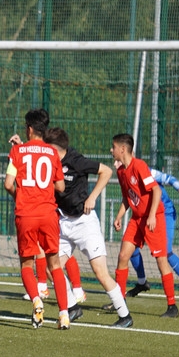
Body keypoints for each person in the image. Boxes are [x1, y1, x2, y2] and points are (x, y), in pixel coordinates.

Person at [42, 128, 133, 328]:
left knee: (100, 272)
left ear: (54, 149)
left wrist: (92, 197)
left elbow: (106, 171)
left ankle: (125, 316)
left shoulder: (76, 160)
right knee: (51, 268)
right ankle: (73, 307)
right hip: (64, 222)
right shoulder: (50, 161)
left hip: (84, 223)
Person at [4, 109, 71, 330]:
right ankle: (64, 315)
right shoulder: (52, 153)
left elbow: (8, 183)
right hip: (48, 214)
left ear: (30, 129)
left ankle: (36, 301)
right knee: (55, 265)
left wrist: (21, 195)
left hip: (26, 214)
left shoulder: (17, 151)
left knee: (26, 264)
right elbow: (60, 186)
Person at [111, 133, 179, 318]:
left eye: (114, 147)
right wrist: (118, 217)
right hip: (136, 219)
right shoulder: (121, 172)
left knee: (161, 260)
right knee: (123, 255)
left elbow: (156, 190)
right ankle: (120, 301)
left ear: (122, 149)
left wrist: (152, 215)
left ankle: (172, 306)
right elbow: (127, 198)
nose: (111, 150)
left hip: (152, 218)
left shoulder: (139, 166)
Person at [122, 167, 179, 304]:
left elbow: (170, 179)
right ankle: (142, 283)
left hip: (165, 213)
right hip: (147, 215)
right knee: (131, 248)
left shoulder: (146, 172)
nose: (116, 163)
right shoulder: (126, 175)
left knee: (166, 252)